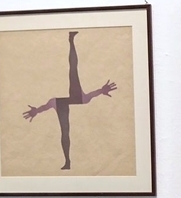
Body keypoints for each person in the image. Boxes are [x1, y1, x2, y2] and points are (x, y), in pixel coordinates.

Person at [22, 31, 118, 170]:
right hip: (71, 100)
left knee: (73, 71)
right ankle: (67, 162)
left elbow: (45, 107)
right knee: (73, 71)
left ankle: (67, 162)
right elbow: (91, 94)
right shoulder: (66, 101)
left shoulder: (62, 101)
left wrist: (37, 110)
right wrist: (101, 91)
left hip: (71, 100)